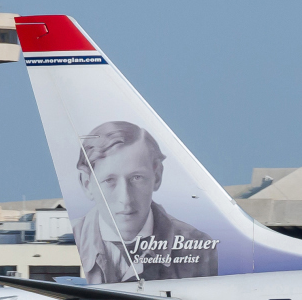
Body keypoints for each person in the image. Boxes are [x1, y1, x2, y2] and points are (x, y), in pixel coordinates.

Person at [74, 121, 218, 283]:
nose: (125, 198)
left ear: (157, 176)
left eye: (137, 178)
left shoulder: (198, 247)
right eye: (109, 181)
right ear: (87, 184)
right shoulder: (73, 242)